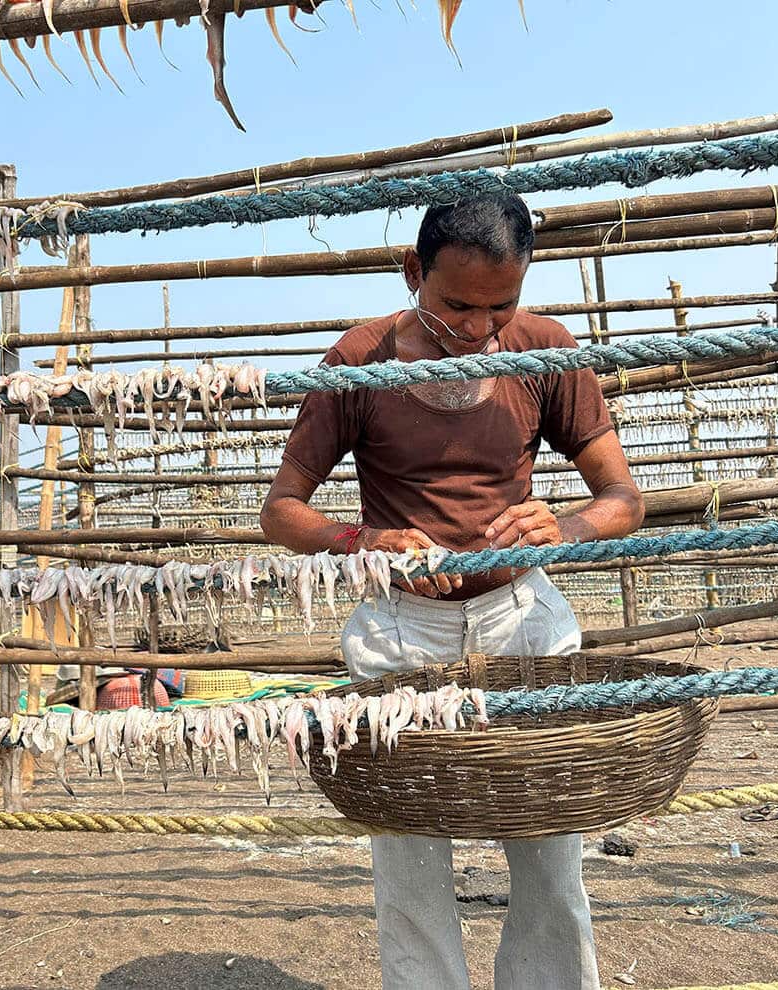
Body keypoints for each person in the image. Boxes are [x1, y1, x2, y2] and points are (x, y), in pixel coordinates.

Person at [259, 191, 645, 990]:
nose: (477, 329)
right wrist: (361, 541)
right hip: (402, 631)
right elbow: (281, 511)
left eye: (499, 307)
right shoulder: (360, 362)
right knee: (406, 859)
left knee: (548, 843)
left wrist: (564, 529)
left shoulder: (543, 352)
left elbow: (622, 499)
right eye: (456, 306)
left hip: (522, 624)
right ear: (412, 273)